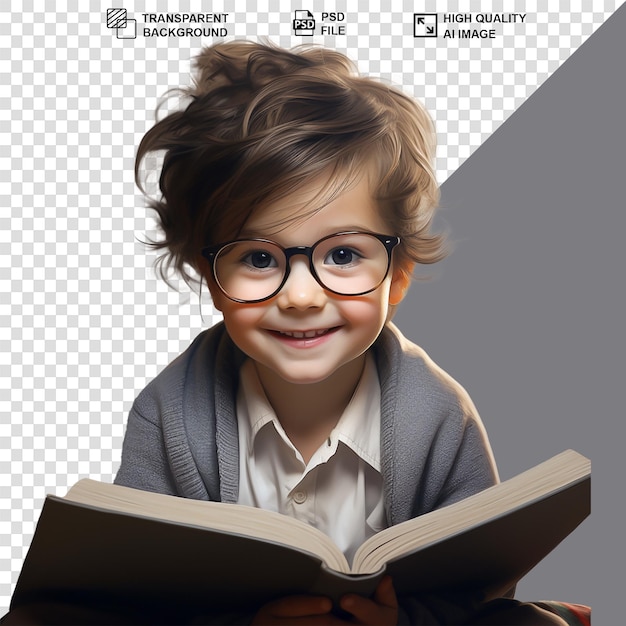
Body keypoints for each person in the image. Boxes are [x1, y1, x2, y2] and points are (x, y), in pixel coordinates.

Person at [2, 41, 572, 625]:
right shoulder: (169, 412)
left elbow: (480, 589)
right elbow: (138, 591)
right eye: (256, 258)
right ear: (212, 276)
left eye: (345, 253)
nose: (300, 297)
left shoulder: (439, 415)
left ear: (397, 276)